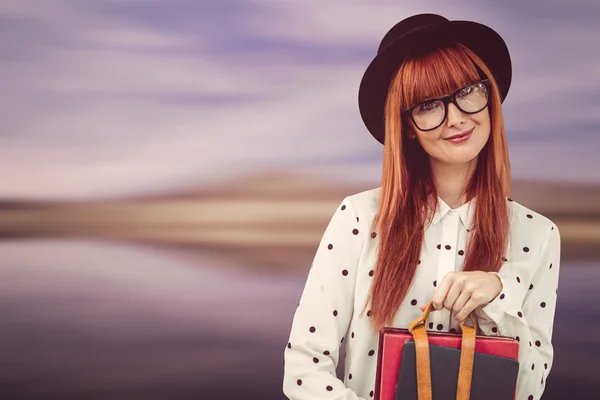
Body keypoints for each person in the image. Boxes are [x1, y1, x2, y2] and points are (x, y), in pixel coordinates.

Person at [282, 13, 561, 400]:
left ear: (489, 95)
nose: (456, 118)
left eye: (467, 92)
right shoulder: (359, 218)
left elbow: (530, 390)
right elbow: (304, 368)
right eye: (429, 104)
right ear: (407, 124)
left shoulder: (539, 235)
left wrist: (499, 295)